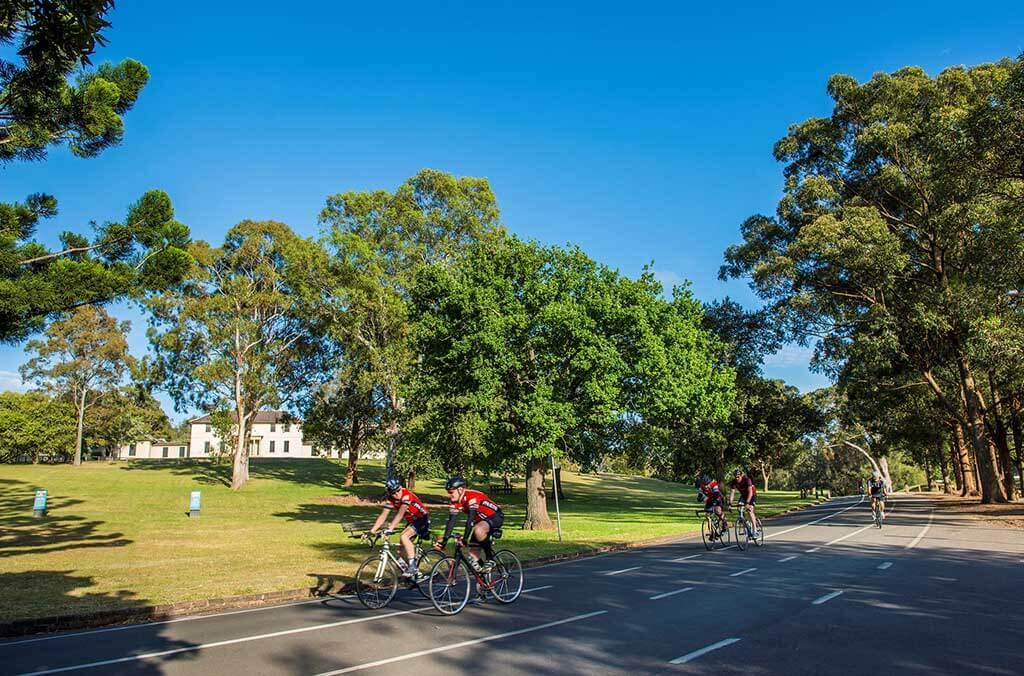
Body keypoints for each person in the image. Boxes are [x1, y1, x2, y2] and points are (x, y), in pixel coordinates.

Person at [434, 475, 503, 572]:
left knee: (478, 529)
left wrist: (465, 539)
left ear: (460, 489)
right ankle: (485, 579)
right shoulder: (455, 502)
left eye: (451, 492)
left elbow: (470, 521)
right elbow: (451, 522)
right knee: (473, 556)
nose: (449, 495)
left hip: (495, 516)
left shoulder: (472, 497)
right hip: (480, 521)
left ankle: (490, 558)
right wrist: (444, 540)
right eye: (448, 492)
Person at [368, 477, 430, 578]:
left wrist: (390, 529)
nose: (396, 494)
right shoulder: (391, 499)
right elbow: (383, 515)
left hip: (422, 519)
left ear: (401, 488)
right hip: (412, 521)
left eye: (398, 491)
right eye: (393, 493)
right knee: (401, 550)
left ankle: (413, 567)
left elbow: (400, 514)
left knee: (404, 536)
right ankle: (416, 574)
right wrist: (372, 530)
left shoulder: (406, 496)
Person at [728, 468, 758, 536]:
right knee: (739, 508)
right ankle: (746, 522)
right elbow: (732, 493)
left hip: (752, 495)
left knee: (750, 510)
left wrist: (747, 503)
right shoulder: (734, 482)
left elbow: (750, 492)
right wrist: (730, 504)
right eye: (735, 477)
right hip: (744, 496)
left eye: (738, 477)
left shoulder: (747, 480)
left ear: (741, 476)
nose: (737, 478)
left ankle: (755, 530)